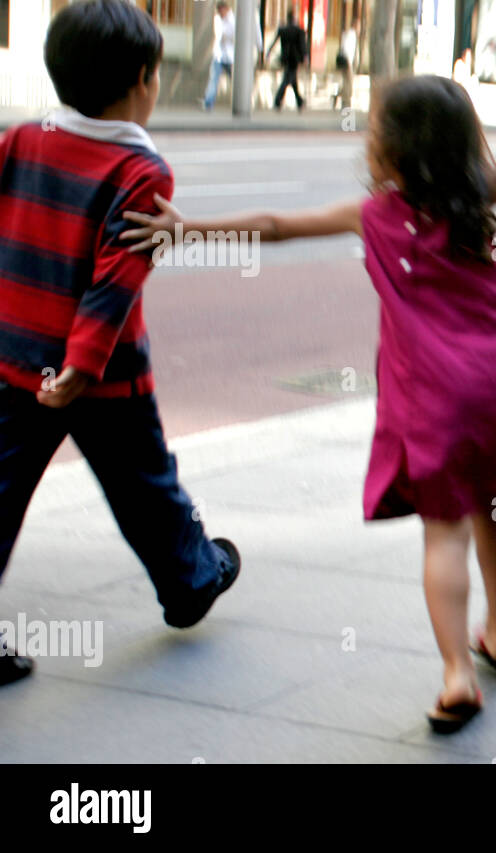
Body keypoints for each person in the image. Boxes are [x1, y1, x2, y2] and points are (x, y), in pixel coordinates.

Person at [121, 76, 496, 732]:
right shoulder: (476, 196)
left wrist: (191, 231)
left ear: (392, 151)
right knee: (494, 507)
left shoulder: (375, 214)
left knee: (445, 530)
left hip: (434, 397)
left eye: (374, 131)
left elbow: (275, 227)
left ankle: (457, 674)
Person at [0, 0, 241, 687]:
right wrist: (79, 366)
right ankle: (192, 577)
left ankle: (192, 572)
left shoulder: (19, 141)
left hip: (16, 360)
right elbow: (114, 279)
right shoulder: (142, 171)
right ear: (143, 77)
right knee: (145, 482)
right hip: (105, 375)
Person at [202, 0, 263, 111]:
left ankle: (245, 100)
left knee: (236, 80)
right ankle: (208, 102)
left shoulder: (233, 20)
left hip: (231, 56)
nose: (220, 14)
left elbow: (238, 36)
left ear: (225, 9)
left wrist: (259, 48)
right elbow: (219, 36)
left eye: (221, 11)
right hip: (219, 55)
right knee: (214, 79)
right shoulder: (218, 19)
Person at [266, 8, 309, 112]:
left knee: (292, 79)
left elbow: (274, 41)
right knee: (288, 79)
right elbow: (302, 45)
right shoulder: (299, 31)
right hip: (295, 58)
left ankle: (299, 101)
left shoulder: (283, 30)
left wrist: (268, 52)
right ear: (294, 19)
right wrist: (305, 56)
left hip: (285, 57)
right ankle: (278, 99)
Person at [337, 21, 358, 110]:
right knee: (348, 81)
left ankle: (340, 96)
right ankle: (346, 101)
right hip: (346, 60)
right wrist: (349, 62)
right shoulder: (352, 35)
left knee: (346, 80)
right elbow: (347, 49)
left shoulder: (347, 34)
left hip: (344, 60)